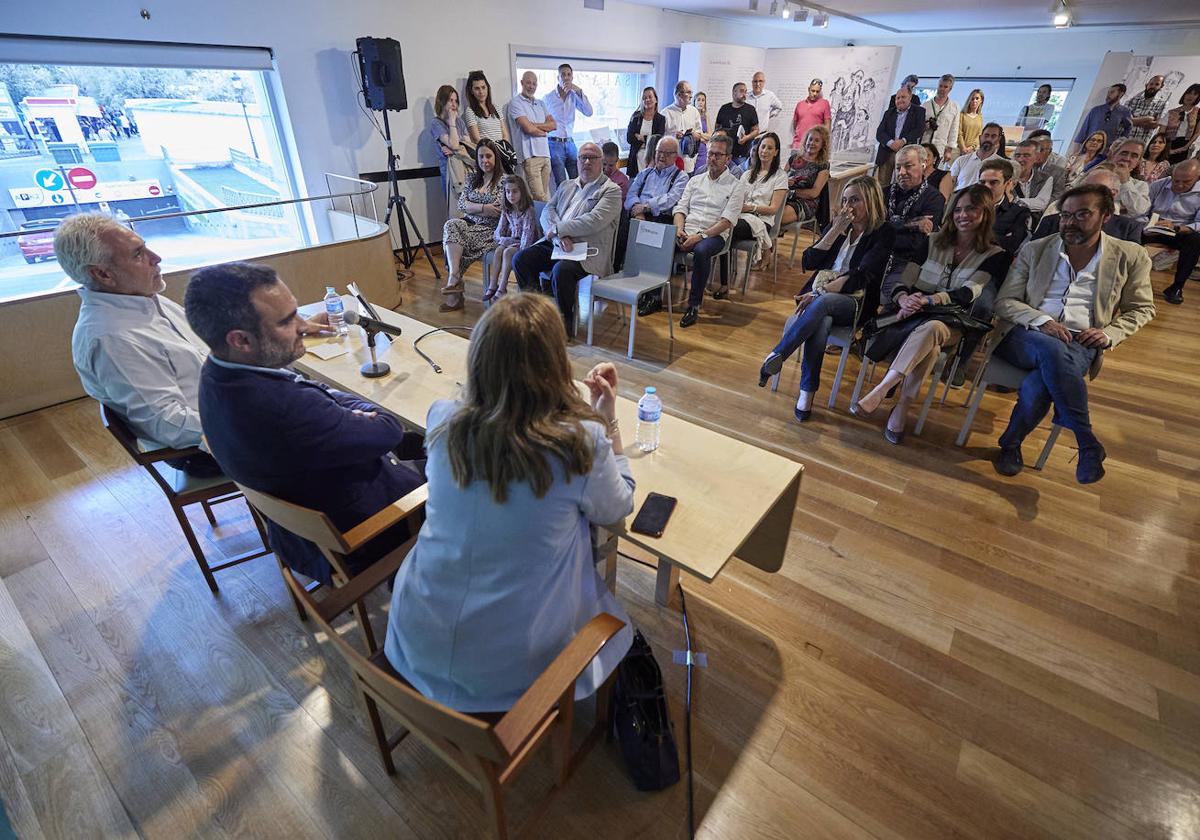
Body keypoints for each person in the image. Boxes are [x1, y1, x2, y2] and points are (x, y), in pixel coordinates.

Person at [382, 294, 634, 713]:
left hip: (416, 632)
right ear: (557, 363)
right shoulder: (578, 443)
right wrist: (608, 420)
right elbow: (618, 506)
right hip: (515, 669)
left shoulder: (442, 418)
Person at [185, 262, 425, 583]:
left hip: (298, 528)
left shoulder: (216, 374)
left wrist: (335, 404)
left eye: (296, 312)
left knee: (425, 439)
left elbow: (319, 396)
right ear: (241, 340)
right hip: (370, 531)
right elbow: (387, 428)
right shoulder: (286, 410)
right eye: (286, 321)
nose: (302, 325)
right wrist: (347, 407)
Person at [991, 184, 1155, 484]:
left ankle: (1010, 445)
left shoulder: (1131, 256)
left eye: (1082, 214)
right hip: (1026, 333)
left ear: (1105, 216)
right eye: (1065, 215)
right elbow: (1005, 301)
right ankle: (1086, 440)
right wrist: (1041, 320)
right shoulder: (1036, 249)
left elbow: (1142, 309)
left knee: (1042, 383)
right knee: (1051, 350)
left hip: (1082, 340)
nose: (1070, 222)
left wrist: (1110, 334)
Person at [60, 213, 215, 477]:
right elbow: (170, 424)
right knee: (308, 437)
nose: (156, 258)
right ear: (103, 274)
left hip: (227, 406)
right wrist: (249, 423)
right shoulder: (112, 338)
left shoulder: (142, 298)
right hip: (203, 447)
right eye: (138, 254)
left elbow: (204, 350)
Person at [852, 185, 1010, 444]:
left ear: (986, 212)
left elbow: (970, 292)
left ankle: (883, 387)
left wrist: (929, 299)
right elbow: (906, 278)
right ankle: (902, 406)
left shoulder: (996, 255)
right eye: (958, 209)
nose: (963, 215)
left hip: (952, 322)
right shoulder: (932, 241)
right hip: (912, 317)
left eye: (971, 208)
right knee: (931, 347)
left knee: (935, 327)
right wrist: (904, 299)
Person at [758, 176, 895, 422]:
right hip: (820, 300)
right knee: (819, 323)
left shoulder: (882, 233)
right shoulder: (841, 227)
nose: (848, 206)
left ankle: (778, 354)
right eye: (844, 200)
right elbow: (809, 261)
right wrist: (834, 230)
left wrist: (817, 293)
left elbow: (860, 277)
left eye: (855, 200)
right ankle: (806, 394)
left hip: (855, 301)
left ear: (871, 201)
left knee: (821, 303)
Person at [513, 142, 621, 335]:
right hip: (559, 244)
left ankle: (565, 323)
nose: (587, 162)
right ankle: (536, 312)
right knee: (521, 259)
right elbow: (548, 211)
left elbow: (594, 221)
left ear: (601, 162)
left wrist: (558, 229)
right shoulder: (566, 185)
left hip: (588, 249)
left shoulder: (611, 190)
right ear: (577, 161)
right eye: (583, 157)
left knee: (561, 270)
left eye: (592, 158)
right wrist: (557, 238)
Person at [673, 134, 745, 328]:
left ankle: (694, 305)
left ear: (728, 158)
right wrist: (679, 229)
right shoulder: (695, 180)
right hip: (687, 230)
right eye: (710, 153)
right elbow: (681, 209)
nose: (712, 158)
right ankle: (653, 295)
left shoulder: (736, 186)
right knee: (662, 240)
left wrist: (700, 236)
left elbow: (727, 220)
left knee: (702, 250)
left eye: (718, 155)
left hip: (714, 235)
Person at [439, 139, 504, 312]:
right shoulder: (472, 178)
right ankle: (454, 277)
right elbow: (461, 204)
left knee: (454, 242)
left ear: (496, 157)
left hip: (491, 230)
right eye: (481, 157)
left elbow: (497, 210)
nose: (485, 161)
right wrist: (483, 208)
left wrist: (473, 207)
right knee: (451, 225)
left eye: (488, 156)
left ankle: (455, 293)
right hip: (470, 224)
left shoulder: (503, 181)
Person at [881, 144, 947, 296]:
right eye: (898, 168)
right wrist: (913, 224)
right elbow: (874, 227)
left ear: (923, 165)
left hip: (906, 260)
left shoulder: (934, 198)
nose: (902, 172)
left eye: (908, 166)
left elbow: (917, 242)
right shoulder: (883, 193)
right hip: (878, 254)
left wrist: (887, 229)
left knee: (889, 295)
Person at [1142, 159, 1200, 305]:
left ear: (1197, 178)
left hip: (1180, 231)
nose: (1179, 185)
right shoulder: (1159, 185)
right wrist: (1148, 224)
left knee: (1195, 240)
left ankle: (1176, 287)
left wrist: (1176, 228)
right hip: (1152, 226)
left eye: (1186, 182)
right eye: (1176, 181)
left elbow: (1199, 223)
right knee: (1131, 230)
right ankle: (1126, 278)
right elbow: (1142, 210)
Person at [1033, 167, 1143, 243]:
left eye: (1097, 189)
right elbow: (1030, 257)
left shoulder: (1129, 229)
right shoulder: (1052, 222)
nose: (1088, 194)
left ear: (1113, 193)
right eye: (1085, 188)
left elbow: (1130, 266)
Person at [733, 132, 789, 268]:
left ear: (776, 152)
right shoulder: (747, 174)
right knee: (722, 223)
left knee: (727, 227)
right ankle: (726, 271)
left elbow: (774, 209)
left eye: (769, 148)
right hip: (742, 215)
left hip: (763, 220)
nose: (764, 151)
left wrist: (750, 208)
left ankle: (725, 277)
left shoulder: (780, 176)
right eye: (762, 147)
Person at [485, 174, 539, 302]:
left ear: (522, 192)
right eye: (508, 192)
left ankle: (502, 287)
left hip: (528, 245)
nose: (511, 195)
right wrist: (505, 240)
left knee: (508, 251)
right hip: (513, 242)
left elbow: (527, 240)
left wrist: (507, 241)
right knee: (499, 250)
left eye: (515, 191)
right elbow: (498, 233)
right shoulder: (507, 210)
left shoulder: (528, 211)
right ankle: (493, 285)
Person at [542, 63, 593, 187]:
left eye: (569, 75)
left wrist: (578, 90)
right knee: (562, 182)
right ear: (558, 77)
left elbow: (589, 112)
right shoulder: (548, 98)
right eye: (563, 75)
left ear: (572, 77)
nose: (566, 77)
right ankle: (563, 206)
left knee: (578, 180)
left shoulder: (575, 96)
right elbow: (543, 122)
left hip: (570, 143)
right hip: (554, 143)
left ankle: (576, 205)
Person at [509, 71, 556, 201]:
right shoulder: (516, 103)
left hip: (545, 155)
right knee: (539, 198)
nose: (531, 86)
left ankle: (543, 221)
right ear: (522, 83)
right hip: (530, 157)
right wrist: (541, 129)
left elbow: (553, 125)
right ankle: (537, 221)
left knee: (546, 195)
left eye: (534, 83)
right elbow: (528, 129)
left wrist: (534, 125)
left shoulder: (541, 103)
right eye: (528, 82)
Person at [979, 158, 1031, 257]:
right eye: (982, 182)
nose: (986, 187)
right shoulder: (965, 206)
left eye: (993, 182)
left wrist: (972, 235)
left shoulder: (1019, 213)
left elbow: (1011, 246)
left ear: (1007, 184)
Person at [875, 87, 926, 186]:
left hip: (906, 153)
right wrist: (891, 143)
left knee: (902, 184)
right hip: (887, 153)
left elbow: (919, 130)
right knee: (882, 185)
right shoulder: (889, 113)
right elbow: (880, 133)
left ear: (910, 97)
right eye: (897, 98)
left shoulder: (919, 111)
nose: (900, 100)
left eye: (903, 97)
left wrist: (903, 141)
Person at [783, 125, 831, 228]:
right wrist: (785, 182)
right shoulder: (793, 158)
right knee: (766, 211)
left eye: (817, 141)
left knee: (777, 217)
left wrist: (792, 192)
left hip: (805, 203)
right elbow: (780, 180)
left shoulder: (823, 165)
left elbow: (814, 193)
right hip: (785, 196)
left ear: (823, 145)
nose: (812, 143)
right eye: (810, 139)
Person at [431, 84, 472, 199]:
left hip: (465, 167)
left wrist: (454, 149)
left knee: (468, 203)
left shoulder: (460, 122)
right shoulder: (436, 123)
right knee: (454, 206)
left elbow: (467, 144)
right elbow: (455, 144)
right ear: (442, 102)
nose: (454, 104)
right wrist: (452, 122)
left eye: (456, 101)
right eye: (450, 100)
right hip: (449, 170)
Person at [1071, 84, 1132, 154]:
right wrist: (1075, 154)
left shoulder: (1124, 112)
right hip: (1088, 150)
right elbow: (1082, 132)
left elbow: (1128, 127)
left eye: (1112, 92)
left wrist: (1119, 143)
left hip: (1106, 153)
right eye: (1108, 92)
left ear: (1121, 94)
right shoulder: (1096, 110)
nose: (1108, 95)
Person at [716, 82, 760, 169]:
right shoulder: (724, 108)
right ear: (734, 92)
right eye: (741, 91)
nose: (744, 94)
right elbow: (717, 128)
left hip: (742, 154)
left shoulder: (750, 110)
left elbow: (756, 130)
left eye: (745, 91)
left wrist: (746, 137)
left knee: (740, 177)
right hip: (724, 153)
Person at [949, 122, 1005, 190]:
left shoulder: (1002, 165)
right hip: (960, 198)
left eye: (993, 136)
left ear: (999, 139)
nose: (989, 139)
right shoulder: (961, 160)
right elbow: (949, 184)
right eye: (986, 135)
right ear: (980, 137)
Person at [625, 86, 666, 177]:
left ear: (656, 99)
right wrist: (650, 138)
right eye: (644, 98)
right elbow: (629, 138)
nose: (647, 100)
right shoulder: (636, 117)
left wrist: (642, 137)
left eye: (650, 97)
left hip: (652, 159)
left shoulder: (661, 119)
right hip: (635, 159)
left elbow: (658, 140)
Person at [462, 70, 511, 145]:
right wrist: (493, 150)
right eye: (477, 88)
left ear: (487, 88)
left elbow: (505, 135)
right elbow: (476, 139)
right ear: (471, 91)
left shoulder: (496, 108)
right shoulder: (470, 111)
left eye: (483, 87)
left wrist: (503, 148)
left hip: (503, 152)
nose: (481, 91)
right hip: (486, 153)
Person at [664, 80, 703, 172]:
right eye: (688, 92)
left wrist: (692, 135)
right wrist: (673, 136)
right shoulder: (665, 113)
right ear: (679, 94)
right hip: (671, 163)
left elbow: (699, 134)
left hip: (689, 163)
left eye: (691, 92)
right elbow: (660, 139)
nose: (691, 95)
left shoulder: (694, 112)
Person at [922, 74, 960, 165]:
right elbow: (917, 126)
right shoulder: (925, 105)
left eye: (945, 87)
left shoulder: (954, 107)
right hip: (924, 144)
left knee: (934, 173)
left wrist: (949, 150)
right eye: (940, 86)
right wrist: (925, 126)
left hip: (940, 147)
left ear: (950, 89)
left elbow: (954, 130)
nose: (942, 89)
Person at [1107, 138, 1150, 217]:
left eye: (1134, 156)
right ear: (1114, 155)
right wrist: (1120, 208)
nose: (1127, 158)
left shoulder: (1141, 185)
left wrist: (1125, 181)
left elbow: (1139, 210)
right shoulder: (1095, 175)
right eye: (1124, 153)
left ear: (1138, 162)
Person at [1012, 139, 1054, 216]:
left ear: (1037, 158)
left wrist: (1015, 201)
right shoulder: (1006, 176)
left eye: (1026, 155)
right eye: (1017, 155)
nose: (1020, 159)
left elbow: (1041, 203)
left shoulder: (1045, 178)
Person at [1161, 83, 1200, 165]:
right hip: (1168, 145)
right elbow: (1161, 132)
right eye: (1189, 93)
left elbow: (1197, 132)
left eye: (1195, 94)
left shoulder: (1198, 112)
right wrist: (1165, 149)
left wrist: (1185, 147)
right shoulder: (1171, 112)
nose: (1191, 96)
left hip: (1184, 146)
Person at [1125, 74, 1167, 147]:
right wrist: (1149, 118)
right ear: (1146, 85)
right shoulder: (1132, 99)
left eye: (1157, 84)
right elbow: (1125, 119)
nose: (1153, 86)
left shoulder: (1163, 104)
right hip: (1125, 140)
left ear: (1161, 87)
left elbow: (1155, 124)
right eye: (1151, 84)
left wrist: (1134, 121)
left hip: (1142, 144)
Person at [791, 78, 832, 152]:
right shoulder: (800, 104)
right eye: (813, 91)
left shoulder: (824, 103)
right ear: (808, 89)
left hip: (814, 145)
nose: (815, 94)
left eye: (817, 91)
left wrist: (823, 142)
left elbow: (827, 125)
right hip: (798, 145)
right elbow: (795, 124)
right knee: (793, 163)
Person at [1030, 134, 1069, 203]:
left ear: (1049, 152)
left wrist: (1038, 204)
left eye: (1041, 150)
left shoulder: (1059, 172)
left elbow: (1058, 195)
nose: (1037, 153)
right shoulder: (1024, 167)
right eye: (1035, 150)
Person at [957, 89, 984, 157]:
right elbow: (959, 133)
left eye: (977, 98)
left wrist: (972, 147)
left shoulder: (980, 117)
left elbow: (979, 135)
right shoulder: (962, 115)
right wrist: (963, 148)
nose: (974, 101)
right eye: (972, 99)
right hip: (959, 150)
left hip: (974, 151)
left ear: (981, 101)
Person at [693, 91, 711, 171]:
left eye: (703, 100)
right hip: (693, 148)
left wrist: (699, 135)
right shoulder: (690, 115)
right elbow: (691, 134)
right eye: (698, 100)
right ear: (694, 102)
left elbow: (711, 135)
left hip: (703, 149)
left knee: (701, 171)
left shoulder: (705, 116)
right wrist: (703, 136)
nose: (700, 102)